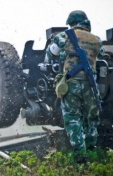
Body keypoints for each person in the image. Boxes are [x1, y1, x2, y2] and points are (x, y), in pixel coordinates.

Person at [45, 10, 105, 163]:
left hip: (71, 84)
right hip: (91, 86)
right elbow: (103, 55)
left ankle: (80, 157)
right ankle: (92, 151)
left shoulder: (64, 36)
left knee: (73, 119)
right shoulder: (96, 40)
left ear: (71, 23)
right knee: (91, 119)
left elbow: (50, 54)